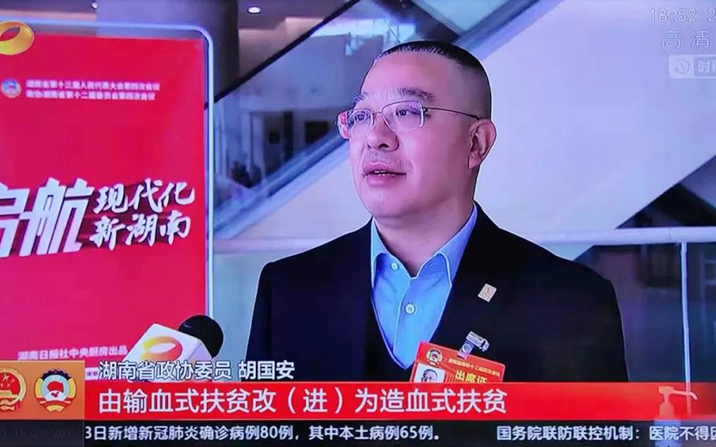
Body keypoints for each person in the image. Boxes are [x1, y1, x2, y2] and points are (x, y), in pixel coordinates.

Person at [246, 41, 628, 382]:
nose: (376, 137)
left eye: (407, 112)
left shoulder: (568, 301)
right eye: (361, 116)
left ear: (476, 143)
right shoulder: (288, 290)